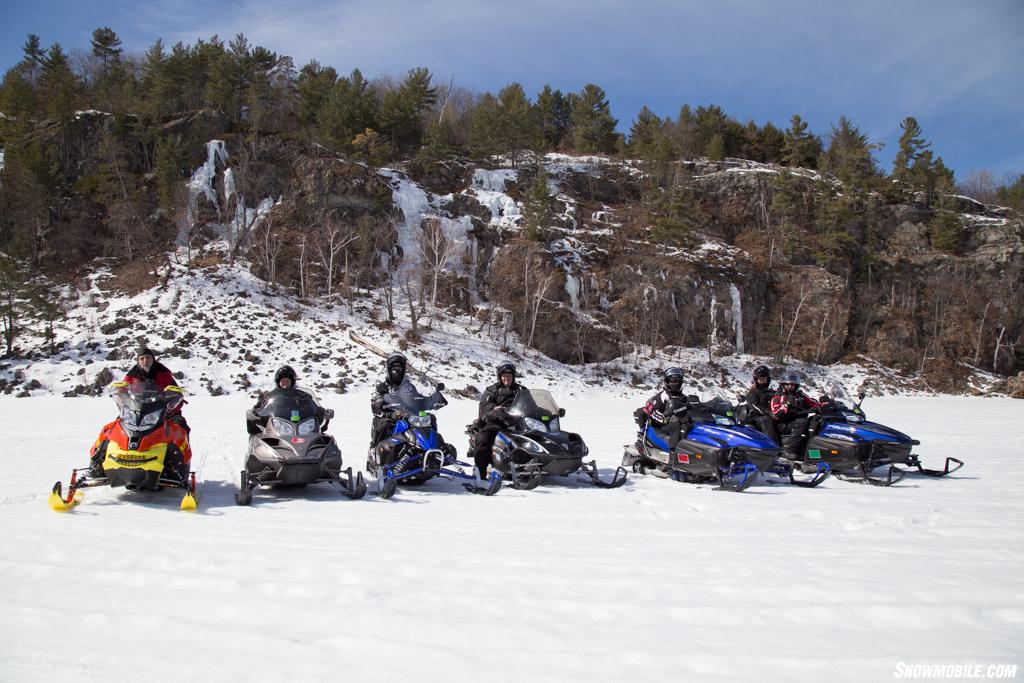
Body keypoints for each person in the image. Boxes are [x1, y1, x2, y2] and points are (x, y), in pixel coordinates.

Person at [470, 362, 524, 478]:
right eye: (504, 376)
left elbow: (531, 403)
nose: (507, 379)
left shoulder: (521, 390)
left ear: (513, 377)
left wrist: (545, 411)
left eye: (509, 376)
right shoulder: (492, 390)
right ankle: (480, 471)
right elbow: (484, 405)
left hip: (518, 422)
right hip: (496, 421)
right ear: (499, 376)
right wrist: (494, 408)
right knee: (484, 438)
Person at [123, 346, 188, 432]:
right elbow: (123, 393)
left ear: (153, 359)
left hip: (162, 412)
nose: (145, 361)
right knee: (114, 428)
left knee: (181, 427)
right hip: (137, 413)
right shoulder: (132, 375)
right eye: (142, 358)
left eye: (148, 357)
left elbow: (177, 393)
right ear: (138, 361)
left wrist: (171, 409)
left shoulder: (163, 373)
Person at [247, 365, 327, 434]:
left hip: (301, 429)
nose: (285, 384)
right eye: (283, 381)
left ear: (292, 382)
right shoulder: (269, 397)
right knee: (259, 440)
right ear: (278, 382)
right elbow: (260, 410)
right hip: (276, 429)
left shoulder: (302, 396)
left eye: (287, 381)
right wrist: (255, 413)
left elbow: (312, 407)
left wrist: (321, 412)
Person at [636, 367, 691, 450]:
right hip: (661, 425)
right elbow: (652, 412)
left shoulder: (683, 398)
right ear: (667, 382)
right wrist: (666, 419)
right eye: (671, 381)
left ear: (680, 382)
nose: (674, 384)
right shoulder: (663, 396)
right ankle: (673, 453)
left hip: (676, 423)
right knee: (675, 424)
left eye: (676, 381)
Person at [769, 371, 822, 457]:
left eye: (793, 385)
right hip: (783, 423)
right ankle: (790, 451)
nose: (790, 387)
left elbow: (813, 403)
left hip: (796, 420)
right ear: (783, 385)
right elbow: (776, 414)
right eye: (788, 384)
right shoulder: (778, 396)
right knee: (802, 422)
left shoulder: (800, 396)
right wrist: (787, 405)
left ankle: (812, 454)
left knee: (815, 422)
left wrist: (824, 404)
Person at [370, 353, 413, 450]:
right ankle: (376, 450)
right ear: (389, 369)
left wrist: (431, 401)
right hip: (389, 417)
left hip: (408, 417)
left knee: (430, 419)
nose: (397, 371)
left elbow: (417, 399)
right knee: (385, 425)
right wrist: (389, 415)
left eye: (400, 368)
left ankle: (435, 449)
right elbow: (375, 405)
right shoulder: (382, 387)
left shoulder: (409, 387)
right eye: (395, 368)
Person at [744, 365, 780, 445]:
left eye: (764, 379)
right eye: (761, 379)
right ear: (756, 380)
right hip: (755, 416)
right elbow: (756, 406)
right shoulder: (753, 392)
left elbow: (778, 400)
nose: (763, 381)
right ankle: (773, 445)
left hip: (770, 414)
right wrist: (769, 413)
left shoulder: (771, 392)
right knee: (766, 420)